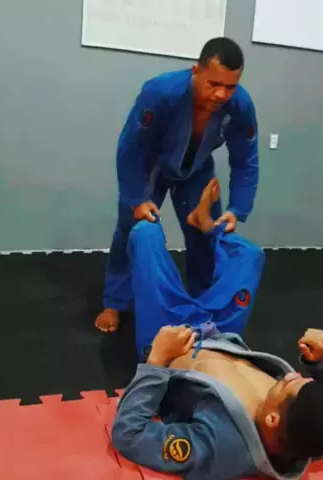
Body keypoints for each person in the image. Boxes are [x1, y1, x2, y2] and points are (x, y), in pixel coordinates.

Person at [110, 180, 323, 480]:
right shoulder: (312, 436)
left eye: (288, 385)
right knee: (250, 256)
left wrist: (157, 362)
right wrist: (322, 363)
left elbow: (129, 436)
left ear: (272, 419)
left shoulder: (220, 446)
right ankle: (205, 225)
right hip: (220, 329)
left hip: (168, 332)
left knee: (145, 234)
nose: (291, 374)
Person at [96, 36, 259, 333]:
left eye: (230, 86)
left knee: (205, 234)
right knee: (131, 230)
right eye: (214, 84)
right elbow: (130, 147)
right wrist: (136, 197)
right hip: (152, 166)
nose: (221, 94)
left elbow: (245, 159)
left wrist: (238, 208)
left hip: (197, 169)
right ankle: (115, 302)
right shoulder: (160, 92)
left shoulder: (240, 106)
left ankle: (203, 303)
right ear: (196, 71)